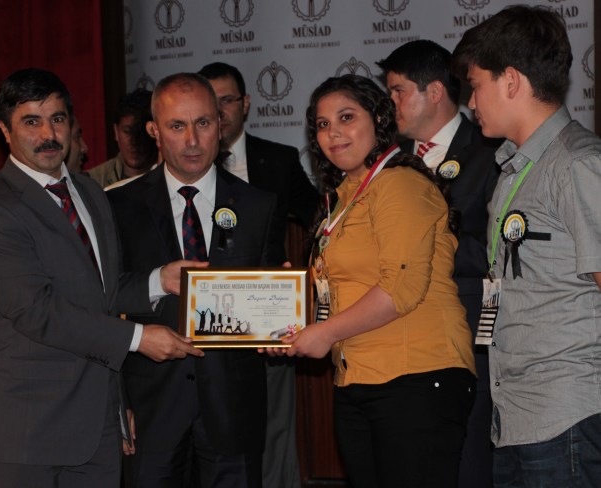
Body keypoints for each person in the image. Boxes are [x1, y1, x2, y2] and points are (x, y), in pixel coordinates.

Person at [0, 68, 203, 488]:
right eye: (31, 122)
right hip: (30, 430)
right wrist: (138, 339)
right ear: (4, 130)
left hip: (99, 427)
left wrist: (158, 281)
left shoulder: (90, 192)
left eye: (57, 119)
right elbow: (38, 311)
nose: (48, 134)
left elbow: (102, 293)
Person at [282, 74, 476, 488]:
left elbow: (399, 289)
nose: (333, 132)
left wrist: (323, 334)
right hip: (356, 377)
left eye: (346, 117)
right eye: (322, 124)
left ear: (380, 119)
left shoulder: (400, 184)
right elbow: (340, 289)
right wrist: (285, 315)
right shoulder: (342, 197)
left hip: (417, 376)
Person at [107, 72, 283, 487]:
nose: (191, 140)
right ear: (154, 131)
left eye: (203, 123)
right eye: (176, 126)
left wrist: (279, 327)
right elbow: (103, 297)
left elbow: (271, 301)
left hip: (233, 412)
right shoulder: (116, 207)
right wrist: (117, 400)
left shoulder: (259, 206)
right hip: (150, 410)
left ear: (220, 124)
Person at [452, 6, 601, 487]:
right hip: (516, 414)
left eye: (476, 85)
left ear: (511, 81)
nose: (470, 101)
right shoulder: (516, 169)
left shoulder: (578, 164)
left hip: (567, 415)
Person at [377, 39, 500, 488]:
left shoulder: (491, 151)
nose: (390, 104)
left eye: (398, 91)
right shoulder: (387, 158)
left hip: (464, 336)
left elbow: (496, 249)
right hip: (395, 340)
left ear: (433, 92)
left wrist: (423, 249)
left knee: (466, 465)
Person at [198, 61, 318, 488]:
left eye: (227, 100)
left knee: (273, 427)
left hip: (264, 315)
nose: (219, 111)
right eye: (210, 103)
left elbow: (319, 218)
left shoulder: (278, 159)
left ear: (245, 103)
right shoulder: (183, 163)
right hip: (203, 319)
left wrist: (304, 282)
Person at [86, 88, 157, 188]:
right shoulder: (95, 180)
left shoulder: (167, 175)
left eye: (141, 133)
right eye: (127, 131)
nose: (134, 141)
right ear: (116, 131)